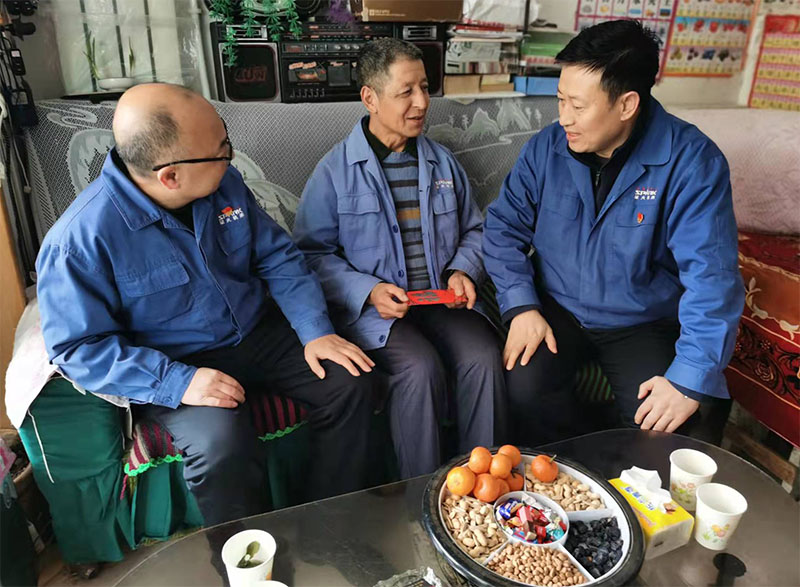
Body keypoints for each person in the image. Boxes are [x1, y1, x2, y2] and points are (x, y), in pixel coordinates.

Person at [36, 83, 376, 525]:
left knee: (349, 382)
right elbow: (78, 348)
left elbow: (277, 256)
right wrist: (178, 382)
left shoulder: (224, 184)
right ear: (170, 176)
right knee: (220, 444)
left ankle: (330, 522)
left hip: (258, 333)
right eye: (222, 151)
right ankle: (249, 553)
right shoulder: (79, 242)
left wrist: (315, 330)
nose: (231, 158)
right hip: (174, 362)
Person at [483, 20, 744, 446]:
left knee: (671, 426)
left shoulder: (692, 162)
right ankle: (572, 472)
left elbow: (711, 278)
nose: (563, 118)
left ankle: (620, 478)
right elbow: (502, 228)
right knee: (524, 388)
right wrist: (521, 305)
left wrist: (689, 378)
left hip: (640, 320)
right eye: (560, 100)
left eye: (578, 106)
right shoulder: (547, 148)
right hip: (557, 307)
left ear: (627, 105)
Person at [293, 39, 507, 479]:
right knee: (419, 368)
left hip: (441, 302)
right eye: (406, 91)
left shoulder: (443, 164)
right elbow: (311, 255)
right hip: (378, 314)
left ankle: (483, 486)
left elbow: (475, 230)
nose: (422, 102)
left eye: (425, 88)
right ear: (370, 98)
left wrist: (462, 270)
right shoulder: (334, 171)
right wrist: (368, 290)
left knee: (484, 354)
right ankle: (421, 493)